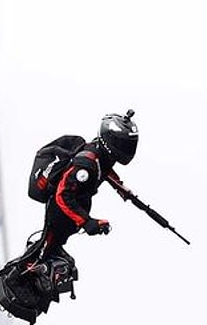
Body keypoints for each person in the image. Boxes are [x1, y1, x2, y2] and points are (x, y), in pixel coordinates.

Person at [27, 110, 139, 287]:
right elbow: (63, 196)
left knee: (56, 245)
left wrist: (121, 188)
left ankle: (43, 263)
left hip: (74, 209)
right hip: (61, 211)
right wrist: (86, 222)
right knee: (47, 246)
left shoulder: (100, 156)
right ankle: (29, 272)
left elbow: (105, 170)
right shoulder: (85, 166)